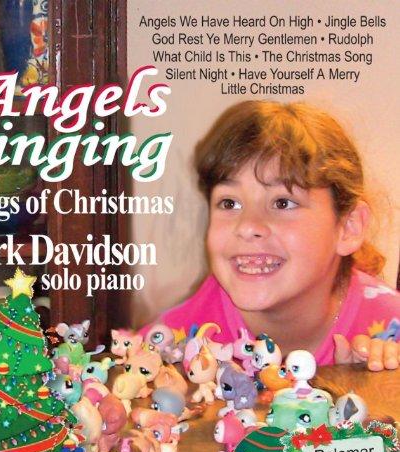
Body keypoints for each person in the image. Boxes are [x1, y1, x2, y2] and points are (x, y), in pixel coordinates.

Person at [141, 101, 399, 370]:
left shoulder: (391, 337)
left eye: (282, 203)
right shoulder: (169, 348)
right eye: (229, 203)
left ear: (348, 227)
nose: (247, 226)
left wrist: (374, 386)